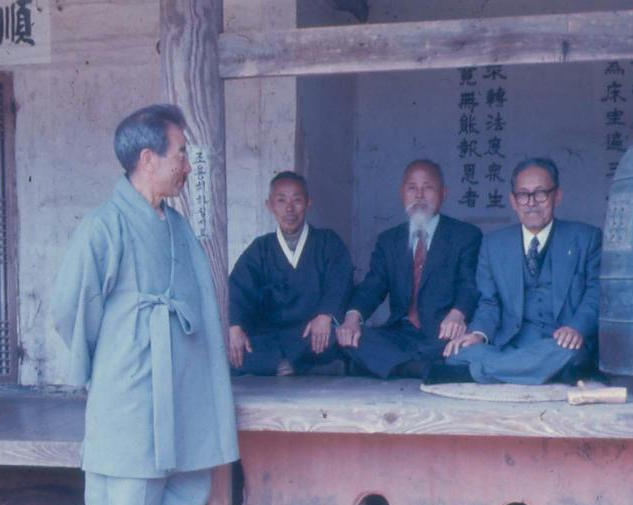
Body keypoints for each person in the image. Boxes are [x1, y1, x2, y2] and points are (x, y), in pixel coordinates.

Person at [52, 104, 239, 505]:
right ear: (148, 158)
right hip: (131, 382)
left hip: (182, 382)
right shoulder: (103, 226)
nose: (187, 164)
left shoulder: (177, 226)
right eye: (181, 153)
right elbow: (71, 308)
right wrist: (104, 364)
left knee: (185, 490)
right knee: (127, 496)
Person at [442, 157, 601, 384]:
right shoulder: (494, 244)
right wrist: (478, 334)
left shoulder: (586, 238)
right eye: (523, 195)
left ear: (558, 196)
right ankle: (533, 371)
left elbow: (596, 293)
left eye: (540, 193)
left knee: (569, 353)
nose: (531, 202)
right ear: (513, 201)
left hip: (560, 343)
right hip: (511, 342)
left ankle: (484, 370)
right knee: (457, 352)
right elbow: (489, 303)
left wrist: (576, 328)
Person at [336, 159, 481, 378]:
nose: (419, 196)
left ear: (444, 193)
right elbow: (373, 286)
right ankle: (420, 368)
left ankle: (397, 366)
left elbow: (469, 283)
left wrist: (458, 314)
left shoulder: (465, 235)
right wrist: (352, 318)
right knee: (347, 335)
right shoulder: (389, 240)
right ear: (402, 193)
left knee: (467, 346)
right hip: (400, 334)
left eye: (428, 187)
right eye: (412, 188)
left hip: (443, 332)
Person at [228, 171, 353, 376]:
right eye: (281, 200)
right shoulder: (260, 249)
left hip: (313, 335)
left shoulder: (327, 242)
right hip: (272, 337)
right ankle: (300, 365)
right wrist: (235, 327)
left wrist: (325, 315)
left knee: (342, 337)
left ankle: (281, 365)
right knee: (230, 348)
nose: (289, 209)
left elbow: (341, 281)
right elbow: (238, 289)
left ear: (308, 203)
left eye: (297, 200)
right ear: (269, 205)